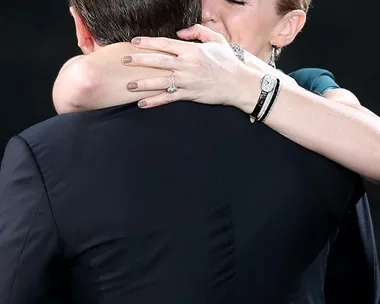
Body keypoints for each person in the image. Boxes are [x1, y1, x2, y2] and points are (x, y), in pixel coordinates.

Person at [0, 0, 367, 303]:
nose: (207, 11)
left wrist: (244, 82)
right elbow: (81, 82)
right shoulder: (323, 146)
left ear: (287, 26)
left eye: (237, 1)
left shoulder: (319, 107)